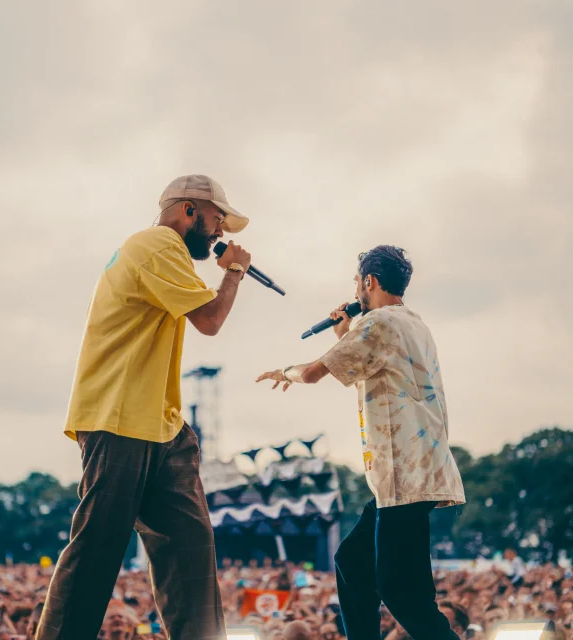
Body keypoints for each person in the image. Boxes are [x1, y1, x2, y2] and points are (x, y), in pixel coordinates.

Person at [36, 174, 252, 640]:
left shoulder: (158, 251)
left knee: (192, 557)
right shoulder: (158, 244)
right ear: (188, 210)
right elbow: (210, 320)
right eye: (217, 220)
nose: (221, 234)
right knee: (96, 550)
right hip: (119, 416)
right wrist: (234, 272)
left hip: (161, 425)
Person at [257, 245, 466, 640]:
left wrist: (285, 372)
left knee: (404, 595)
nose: (356, 290)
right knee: (352, 563)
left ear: (369, 281)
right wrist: (346, 329)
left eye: (357, 283)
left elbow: (318, 371)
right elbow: (360, 360)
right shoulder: (412, 323)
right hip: (409, 474)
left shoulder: (380, 324)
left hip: (405, 477)